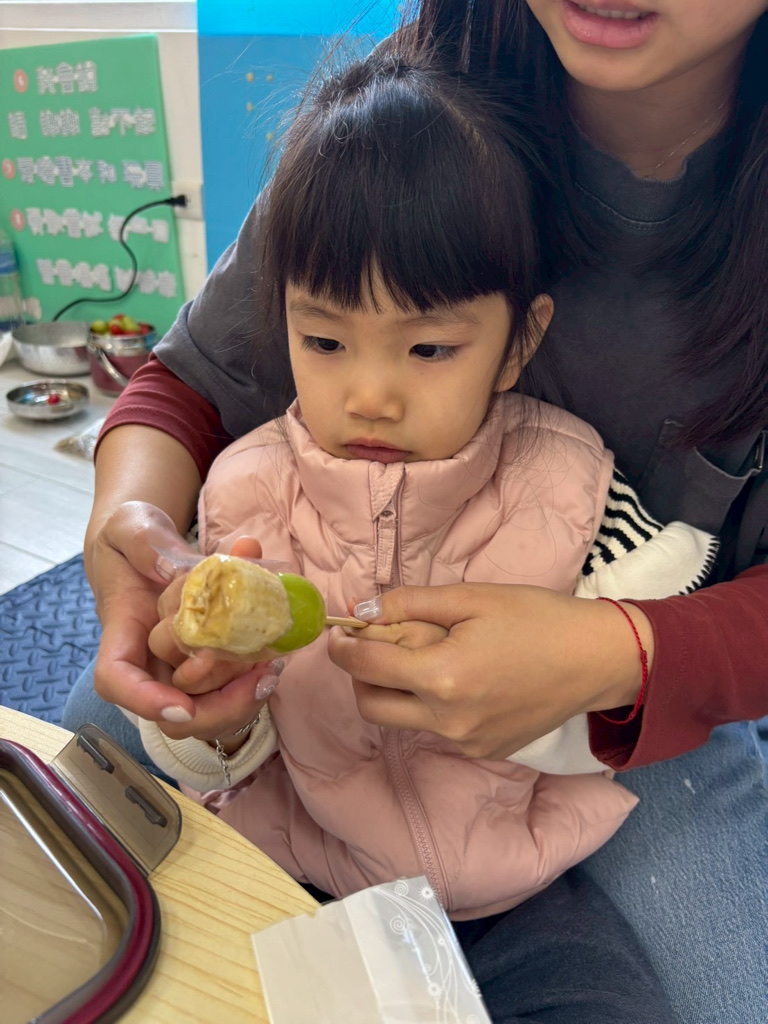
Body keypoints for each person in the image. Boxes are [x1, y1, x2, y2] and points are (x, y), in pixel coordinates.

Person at [63, 2, 768, 1022]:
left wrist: (618, 654)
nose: (373, 398)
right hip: (317, 737)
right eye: (329, 344)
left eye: (431, 347)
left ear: (522, 339)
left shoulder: (572, 477)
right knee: (87, 805)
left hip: (635, 696)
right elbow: (186, 383)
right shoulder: (418, 97)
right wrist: (129, 529)